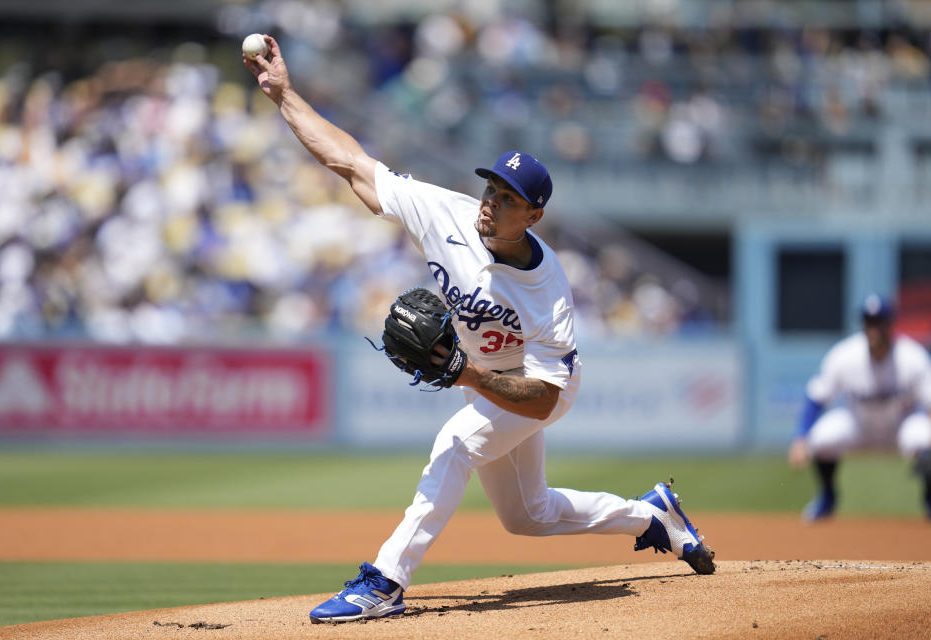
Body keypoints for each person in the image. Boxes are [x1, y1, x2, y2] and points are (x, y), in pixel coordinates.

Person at [244, 34, 715, 624]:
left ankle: (384, 582)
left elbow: (543, 401)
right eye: (491, 188)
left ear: (534, 215)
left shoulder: (548, 292)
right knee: (527, 516)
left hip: (540, 387)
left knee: (454, 444)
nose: (490, 202)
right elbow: (349, 161)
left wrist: (465, 372)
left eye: (507, 198)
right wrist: (284, 95)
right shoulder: (447, 213)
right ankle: (652, 517)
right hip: (487, 378)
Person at [788, 293, 931, 522]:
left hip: (900, 426)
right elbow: (817, 396)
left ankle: (929, 500)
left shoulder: (912, 357)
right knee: (822, 437)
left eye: (879, 322)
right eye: (868, 322)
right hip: (859, 424)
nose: (873, 328)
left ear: (890, 324)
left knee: (925, 436)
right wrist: (801, 437)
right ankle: (827, 498)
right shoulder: (845, 355)